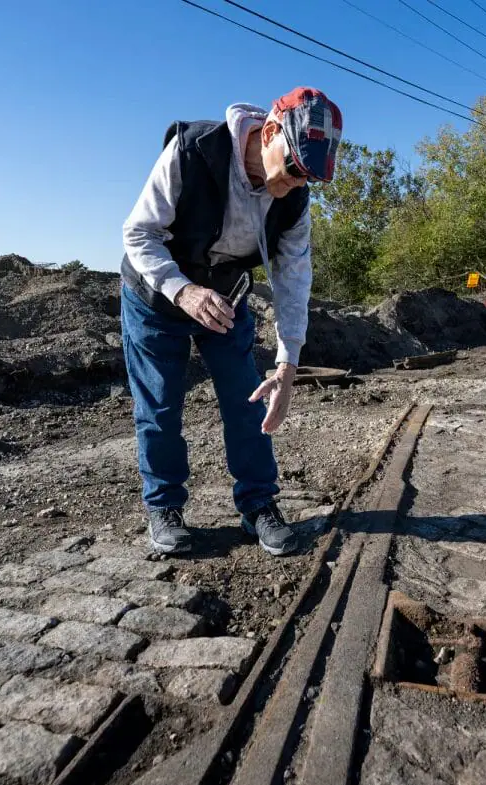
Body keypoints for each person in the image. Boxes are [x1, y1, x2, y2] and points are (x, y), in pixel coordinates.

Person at [119, 87, 342, 557]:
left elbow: (294, 278)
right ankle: (164, 508)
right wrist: (183, 290)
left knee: (248, 401)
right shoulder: (193, 152)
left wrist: (288, 363)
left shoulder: (295, 199)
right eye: (293, 169)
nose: (295, 185)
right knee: (160, 408)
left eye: (308, 178)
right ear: (269, 133)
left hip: (224, 299)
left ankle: (258, 505)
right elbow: (138, 233)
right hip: (157, 297)